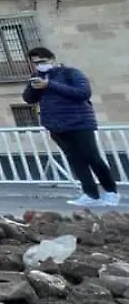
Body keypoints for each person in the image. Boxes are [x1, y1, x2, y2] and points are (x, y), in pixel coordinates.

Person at [23, 47, 119, 207]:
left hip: (80, 123)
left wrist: (49, 85)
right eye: (35, 63)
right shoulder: (36, 77)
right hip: (56, 126)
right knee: (75, 160)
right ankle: (90, 194)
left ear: (52, 59)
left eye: (42, 62)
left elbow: (83, 93)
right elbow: (28, 99)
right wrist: (34, 88)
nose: (39, 65)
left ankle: (111, 192)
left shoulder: (71, 73)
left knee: (92, 157)